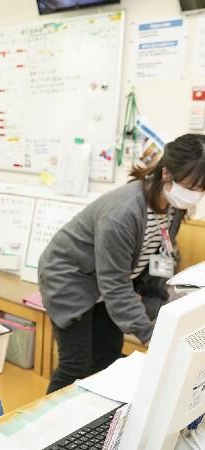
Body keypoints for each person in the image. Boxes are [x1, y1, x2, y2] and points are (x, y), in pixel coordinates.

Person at [39, 134, 205, 393]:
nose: (196, 196)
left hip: (108, 281)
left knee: (108, 359)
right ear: (167, 174)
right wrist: (151, 336)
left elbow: (158, 259)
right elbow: (114, 286)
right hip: (70, 276)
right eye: (192, 187)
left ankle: (93, 426)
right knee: (76, 365)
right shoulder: (123, 213)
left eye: (202, 189)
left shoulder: (174, 206)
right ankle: (48, 431)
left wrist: (161, 305)